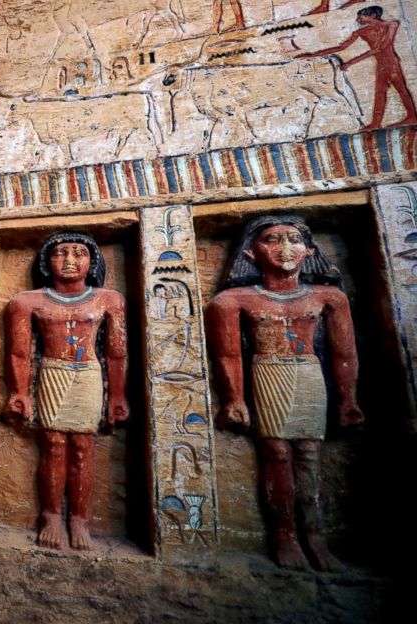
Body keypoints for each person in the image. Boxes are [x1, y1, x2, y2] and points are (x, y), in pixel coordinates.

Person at [205, 215, 364, 571]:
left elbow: (344, 353)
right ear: (250, 252)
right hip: (267, 371)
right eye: (272, 240)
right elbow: (228, 354)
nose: (284, 248)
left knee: (309, 453)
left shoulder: (329, 298)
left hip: (308, 372)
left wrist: (348, 398)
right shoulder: (232, 300)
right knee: (276, 453)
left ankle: (315, 535)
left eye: (293, 239)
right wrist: (234, 399)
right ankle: (284, 536)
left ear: (309, 250)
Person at [3, 232, 129, 550]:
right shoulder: (27, 302)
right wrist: (20, 392)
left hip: (88, 375)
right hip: (52, 373)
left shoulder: (109, 300)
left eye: (78, 253)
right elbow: (19, 353)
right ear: (47, 261)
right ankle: (51, 516)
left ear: (92, 261)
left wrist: (116, 395)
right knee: (54, 447)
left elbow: (116, 353)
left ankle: (80, 520)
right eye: (60, 253)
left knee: (84, 447)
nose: (70, 260)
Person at [296, 6, 417, 130]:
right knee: (380, 92)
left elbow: (380, 48)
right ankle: (376, 123)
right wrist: (312, 55)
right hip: (381, 65)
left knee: (401, 89)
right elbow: (341, 47)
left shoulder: (391, 25)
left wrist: (350, 63)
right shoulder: (362, 32)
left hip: (391, 64)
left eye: (362, 15)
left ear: (373, 15)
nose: (358, 19)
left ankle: (411, 116)